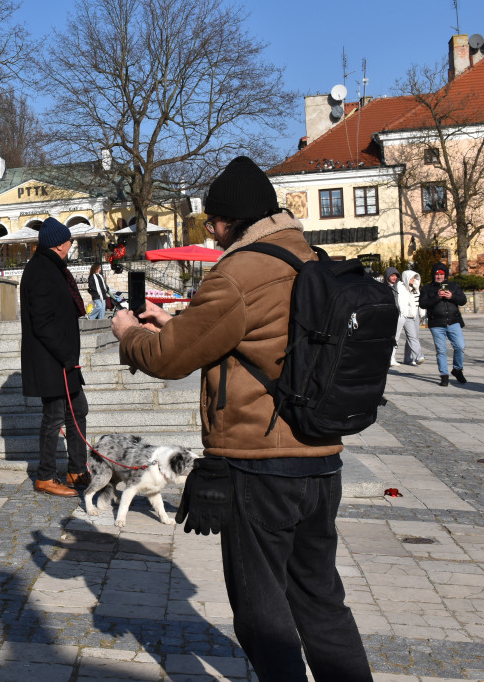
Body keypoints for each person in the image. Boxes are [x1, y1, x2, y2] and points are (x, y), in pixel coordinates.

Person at [112, 156, 372, 681]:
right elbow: (261, 336)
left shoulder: (239, 270)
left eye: (212, 222)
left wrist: (128, 333)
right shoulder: (312, 259)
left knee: (261, 613)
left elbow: (167, 358)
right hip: (322, 458)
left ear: (229, 220)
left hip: (263, 465)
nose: (210, 232)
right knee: (321, 600)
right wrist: (175, 322)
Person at [20, 217, 91, 497]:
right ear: (60, 244)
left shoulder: (52, 267)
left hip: (63, 359)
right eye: (69, 240)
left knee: (78, 410)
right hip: (52, 359)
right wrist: (65, 356)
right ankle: (46, 476)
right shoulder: (40, 270)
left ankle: (76, 469)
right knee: (53, 417)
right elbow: (43, 322)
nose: (71, 244)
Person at [420, 262, 467, 386]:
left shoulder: (453, 286)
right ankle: (444, 375)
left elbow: (463, 300)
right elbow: (423, 304)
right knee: (441, 350)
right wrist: (437, 297)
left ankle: (457, 369)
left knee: (460, 347)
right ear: (433, 275)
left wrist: (452, 296)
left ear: (445, 275)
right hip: (436, 323)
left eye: (441, 274)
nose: (439, 276)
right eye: (437, 274)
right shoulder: (427, 288)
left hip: (453, 322)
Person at [398, 269, 426, 365]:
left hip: (416, 315)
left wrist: (422, 313)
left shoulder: (415, 288)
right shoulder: (401, 288)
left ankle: (408, 358)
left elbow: (419, 302)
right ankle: (418, 356)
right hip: (407, 315)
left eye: (415, 277)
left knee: (414, 337)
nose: (414, 279)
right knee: (412, 337)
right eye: (412, 277)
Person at [384, 266, 402, 366]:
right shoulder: (384, 287)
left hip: (397, 314)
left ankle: (392, 357)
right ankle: (387, 357)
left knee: (395, 337)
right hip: (387, 314)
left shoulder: (398, 286)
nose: (394, 277)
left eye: (396, 275)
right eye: (392, 275)